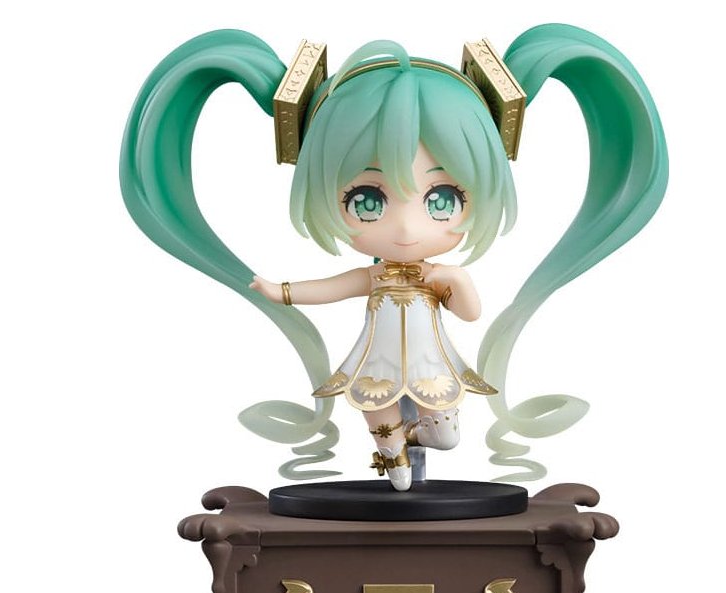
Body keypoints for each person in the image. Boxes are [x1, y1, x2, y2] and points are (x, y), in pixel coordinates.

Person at [120, 26, 667, 489]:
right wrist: (279, 291)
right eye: (368, 200)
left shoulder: (435, 275)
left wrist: (454, 278)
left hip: (432, 368)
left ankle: (400, 441)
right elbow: (331, 289)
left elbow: (470, 314)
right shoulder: (373, 276)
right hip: (375, 370)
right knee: (395, 464)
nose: (406, 228)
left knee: (447, 436)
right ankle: (392, 456)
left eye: (441, 199)